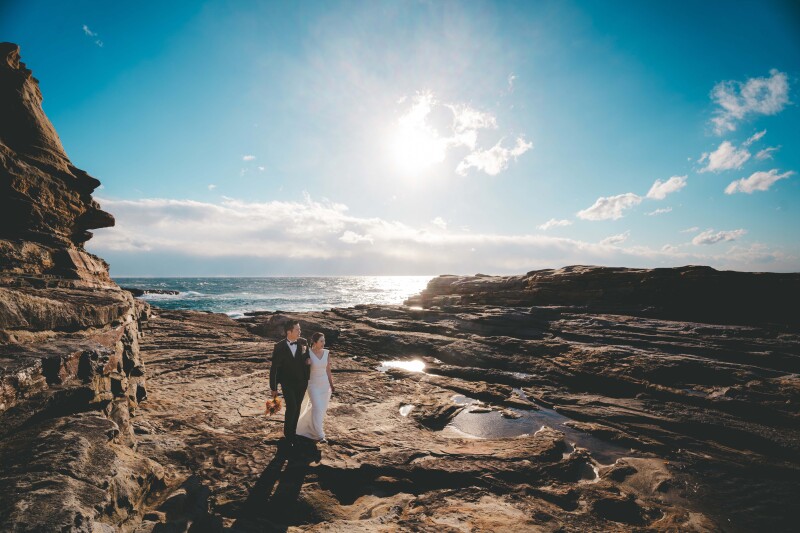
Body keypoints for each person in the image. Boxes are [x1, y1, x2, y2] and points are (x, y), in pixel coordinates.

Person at [269, 320, 309, 447]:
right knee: (292, 407)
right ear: (289, 332)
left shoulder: (303, 343)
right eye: (297, 329)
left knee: (297, 408)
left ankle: (294, 431)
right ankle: (288, 434)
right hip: (287, 383)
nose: (300, 332)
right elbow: (274, 368)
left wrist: (308, 362)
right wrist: (273, 387)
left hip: (302, 382)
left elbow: (307, 359)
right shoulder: (279, 346)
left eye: (300, 329)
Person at [295, 332, 334, 443]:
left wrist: (331, 384)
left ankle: (306, 425)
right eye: (321, 341)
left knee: (320, 410)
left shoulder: (326, 353)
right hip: (313, 385)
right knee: (317, 408)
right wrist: (306, 362)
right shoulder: (308, 353)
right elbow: (300, 366)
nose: (323, 343)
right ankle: (321, 435)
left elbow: (328, 370)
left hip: (325, 385)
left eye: (324, 341)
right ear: (315, 342)